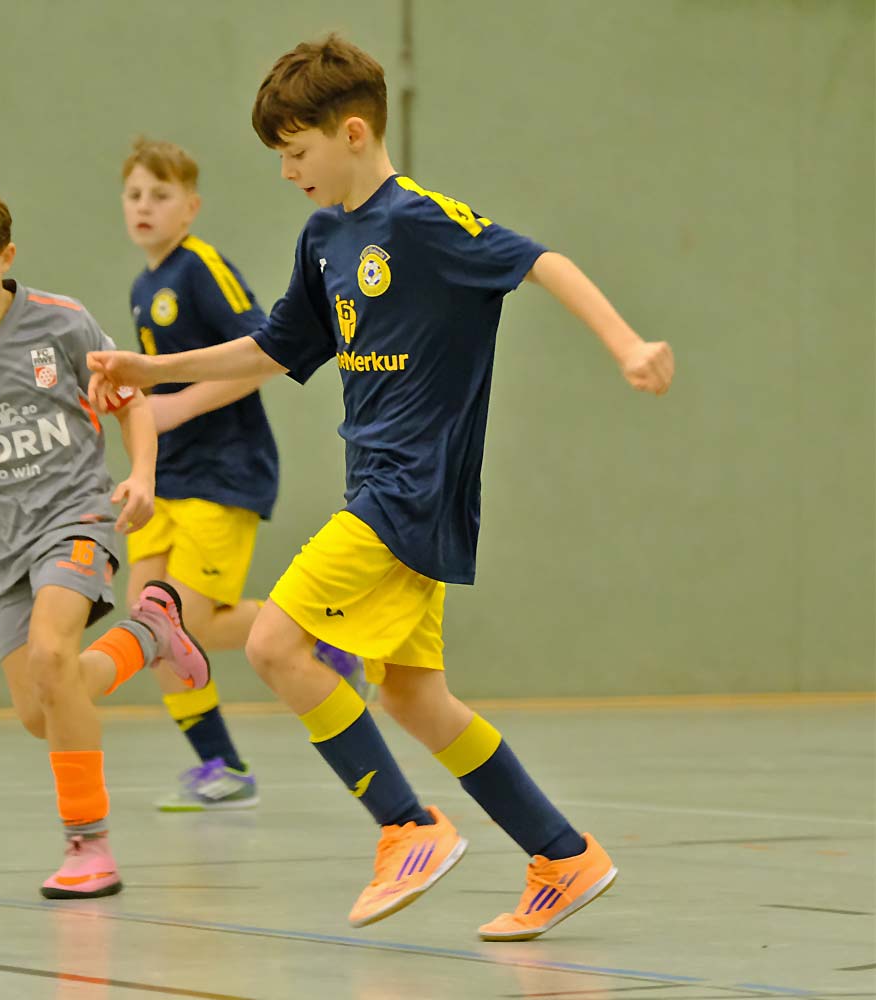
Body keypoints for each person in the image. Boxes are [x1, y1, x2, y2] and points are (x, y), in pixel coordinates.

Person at [88, 36, 675, 941]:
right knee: (409, 694)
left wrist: (628, 345)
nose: (287, 172)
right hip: (379, 483)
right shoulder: (324, 238)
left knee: (275, 643)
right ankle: (564, 854)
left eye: (296, 151)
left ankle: (407, 828)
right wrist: (150, 368)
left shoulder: (423, 222)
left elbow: (541, 261)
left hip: (411, 489)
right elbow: (274, 350)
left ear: (353, 133)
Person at [0, 172, 209, 900]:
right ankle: (149, 633)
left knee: (54, 656)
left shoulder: (63, 323)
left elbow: (132, 403)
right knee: (41, 708)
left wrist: (142, 475)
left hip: (75, 513)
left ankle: (88, 844)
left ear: (5, 255)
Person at [120, 137, 365, 812]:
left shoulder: (201, 268)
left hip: (223, 472)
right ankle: (222, 767)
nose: (145, 206)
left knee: (184, 621)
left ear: (190, 207)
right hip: (168, 478)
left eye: (161, 195)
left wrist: (175, 408)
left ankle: (322, 634)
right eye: (134, 195)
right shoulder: (143, 286)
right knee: (149, 626)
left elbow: (263, 354)